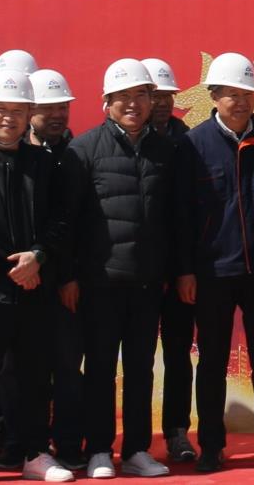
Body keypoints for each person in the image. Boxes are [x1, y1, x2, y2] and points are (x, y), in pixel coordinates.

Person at [0, 70, 77, 485]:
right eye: (1, 110)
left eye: (18, 111)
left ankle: (35, 452)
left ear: (29, 115)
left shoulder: (45, 164)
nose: (9, 118)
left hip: (35, 288)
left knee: (35, 376)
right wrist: (14, 269)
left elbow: (61, 220)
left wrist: (37, 257)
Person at [173, 52, 254, 472]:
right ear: (214, 96)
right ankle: (211, 445)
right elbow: (181, 216)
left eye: (246, 95)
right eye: (231, 94)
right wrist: (185, 270)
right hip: (213, 273)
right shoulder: (192, 146)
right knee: (211, 362)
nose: (240, 103)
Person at [59, 59, 178, 479]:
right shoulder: (84, 150)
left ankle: (137, 449)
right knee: (101, 369)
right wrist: (69, 276)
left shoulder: (166, 150)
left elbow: (175, 219)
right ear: (106, 102)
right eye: (122, 97)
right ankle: (98, 449)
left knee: (141, 370)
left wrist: (174, 269)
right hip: (100, 282)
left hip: (147, 283)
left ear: (151, 100)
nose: (132, 104)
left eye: (140, 95)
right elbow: (68, 222)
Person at [26, 68, 88, 470]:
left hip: (65, 282)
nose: (57, 115)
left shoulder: (77, 155)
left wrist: (68, 276)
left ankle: (68, 444)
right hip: (23, 280)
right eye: (48, 108)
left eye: (63, 107)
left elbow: (77, 224)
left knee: (67, 366)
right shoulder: (16, 154)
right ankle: (25, 444)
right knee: (25, 368)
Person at [140, 56, 199, 464]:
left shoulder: (188, 143)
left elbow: (190, 214)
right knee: (139, 358)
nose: (161, 103)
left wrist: (185, 268)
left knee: (179, 355)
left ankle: (177, 432)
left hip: (179, 272)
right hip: (138, 273)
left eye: (167, 96)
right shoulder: (126, 141)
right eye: (153, 95)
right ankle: (137, 439)